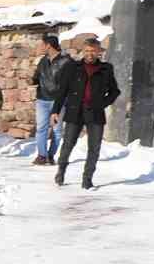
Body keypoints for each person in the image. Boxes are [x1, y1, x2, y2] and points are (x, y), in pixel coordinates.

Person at [51, 35, 121, 189]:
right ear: (83, 51)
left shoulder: (106, 69)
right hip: (75, 111)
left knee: (94, 148)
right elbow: (62, 90)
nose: (90, 53)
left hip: (95, 112)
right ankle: (61, 170)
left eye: (93, 51)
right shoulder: (72, 67)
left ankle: (87, 179)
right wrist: (55, 111)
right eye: (87, 50)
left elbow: (115, 91)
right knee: (68, 144)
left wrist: (102, 103)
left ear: (98, 52)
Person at [30, 33, 70, 165]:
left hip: (58, 100)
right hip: (42, 99)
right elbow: (37, 76)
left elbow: (67, 84)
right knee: (41, 128)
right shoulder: (43, 61)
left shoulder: (66, 61)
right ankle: (42, 156)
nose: (40, 46)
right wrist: (32, 80)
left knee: (57, 130)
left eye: (42, 44)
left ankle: (51, 156)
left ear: (49, 45)